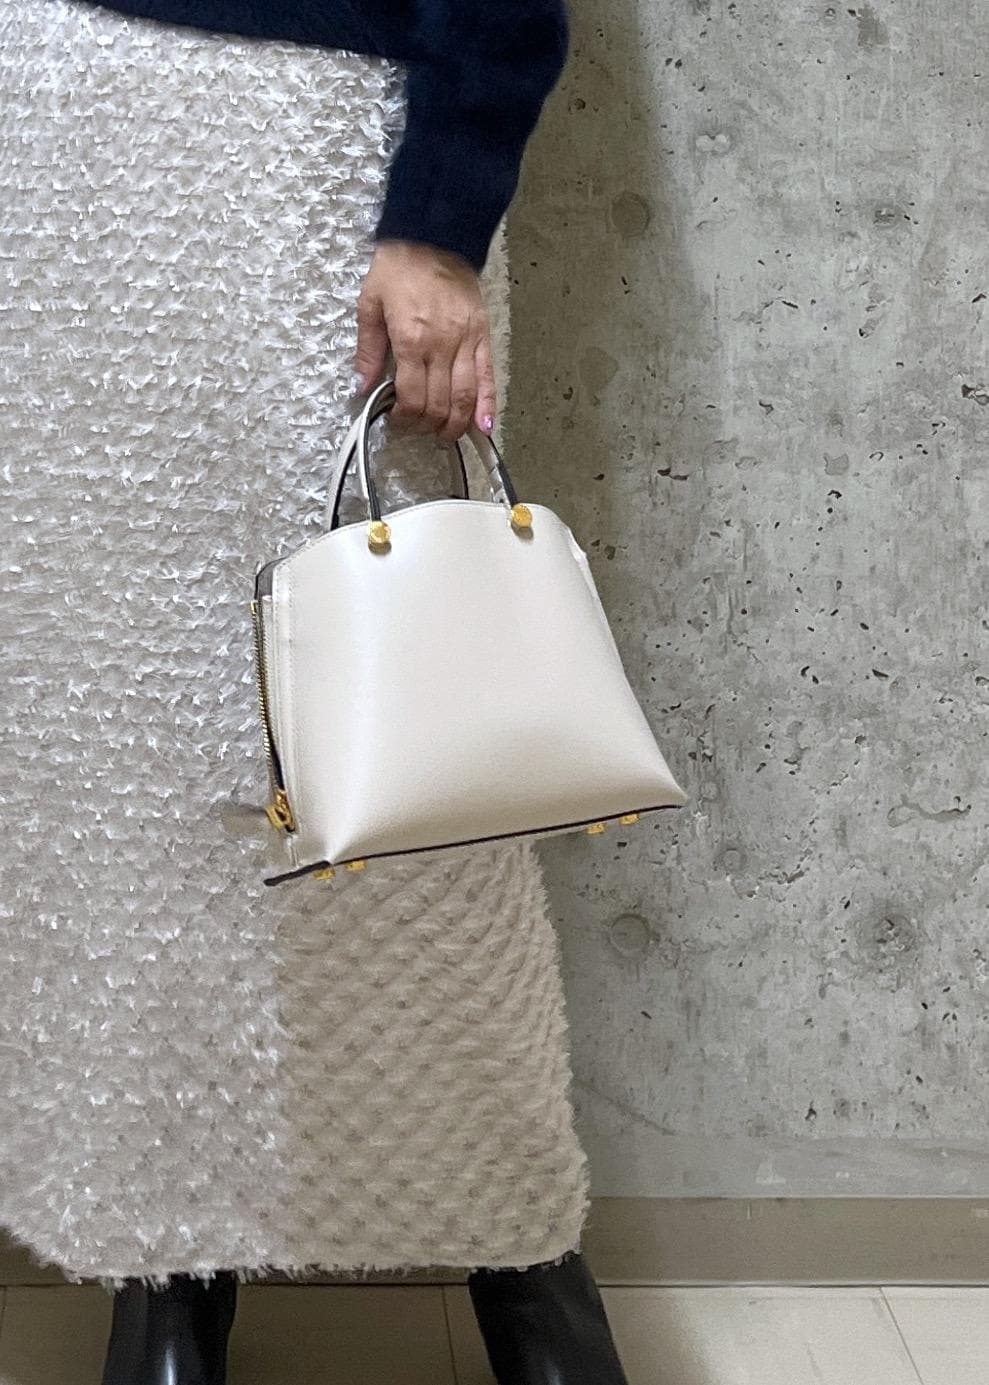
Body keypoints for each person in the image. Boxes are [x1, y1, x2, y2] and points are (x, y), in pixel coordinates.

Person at [0, 2, 631, 1381]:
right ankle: (171, 1255)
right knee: (142, 764)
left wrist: (441, 216)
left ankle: (520, 1247)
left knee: (402, 740)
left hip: (321, 125)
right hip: (61, 119)